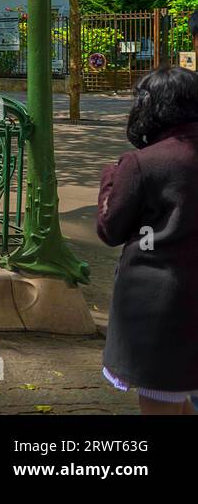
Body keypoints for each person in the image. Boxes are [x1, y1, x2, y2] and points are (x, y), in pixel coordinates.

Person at [98, 66, 198, 414]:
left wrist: (112, 177)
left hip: (159, 306)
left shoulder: (143, 163)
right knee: (179, 399)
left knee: (160, 402)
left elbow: (110, 229)